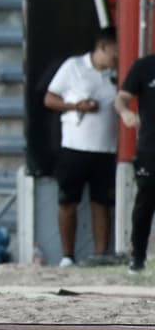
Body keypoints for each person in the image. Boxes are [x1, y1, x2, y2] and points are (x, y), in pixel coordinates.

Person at [45, 29, 118, 267]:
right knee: (68, 201)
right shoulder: (73, 67)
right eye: (114, 53)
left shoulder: (119, 73)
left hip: (106, 148)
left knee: (102, 203)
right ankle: (67, 255)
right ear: (103, 47)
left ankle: (100, 254)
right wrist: (77, 106)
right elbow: (49, 98)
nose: (117, 58)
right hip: (74, 146)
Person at [115, 51, 155, 272]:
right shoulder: (144, 66)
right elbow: (121, 98)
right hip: (150, 147)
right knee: (145, 203)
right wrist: (126, 114)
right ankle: (138, 256)